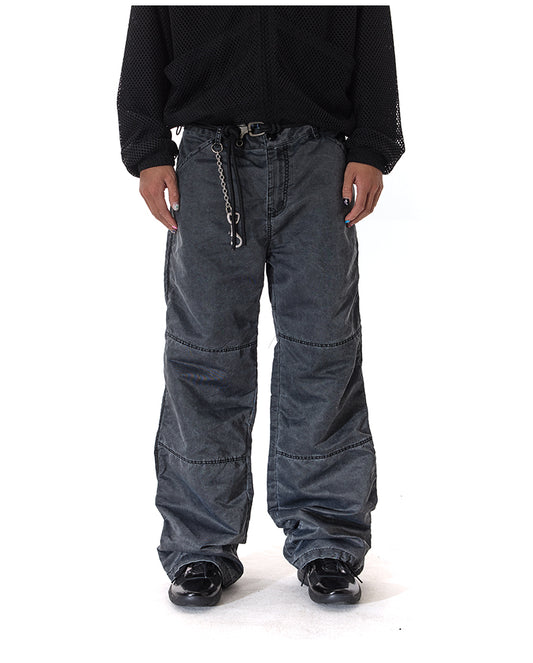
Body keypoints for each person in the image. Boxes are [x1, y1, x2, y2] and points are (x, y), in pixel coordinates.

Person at [117, 5, 405, 607]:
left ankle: (328, 540)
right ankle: (199, 545)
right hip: (205, 162)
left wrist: (374, 144)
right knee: (203, 357)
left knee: (323, 352)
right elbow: (148, 35)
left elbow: (371, 30)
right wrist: (147, 150)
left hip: (321, 160)